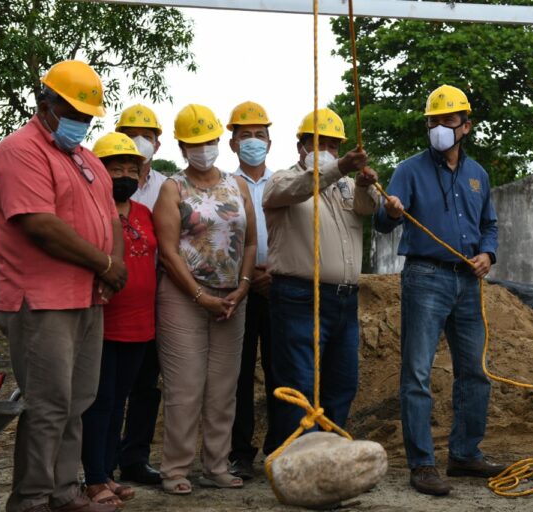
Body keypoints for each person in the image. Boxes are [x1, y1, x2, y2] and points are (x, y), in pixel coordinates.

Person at [0, 60, 126, 512]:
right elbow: (40, 225)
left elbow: (110, 217)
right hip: (41, 301)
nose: (80, 123)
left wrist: (113, 267)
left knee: (77, 400)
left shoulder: (84, 159)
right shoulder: (20, 150)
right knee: (48, 405)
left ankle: (65, 492)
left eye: (87, 116)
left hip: (86, 297)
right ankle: (30, 500)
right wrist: (105, 263)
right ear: (44, 103)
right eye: (72, 112)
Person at [373, 85, 505, 496]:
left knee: (474, 371)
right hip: (425, 276)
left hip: (468, 281)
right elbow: (382, 221)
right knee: (417, 370)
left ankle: (465, 453)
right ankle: (423, 464)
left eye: (447, 121)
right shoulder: (409, 170)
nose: (438, 128)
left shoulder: (477, 174)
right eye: (433, 121)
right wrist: (391, 211)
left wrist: (488, 253)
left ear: (466, 126)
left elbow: (490, 225)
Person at [153, 104, 257, 494]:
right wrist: (199, 295)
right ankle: (176, 469)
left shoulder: (237, 185)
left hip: (232, 297)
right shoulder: (172, 188)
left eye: (209, 141)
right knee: (185, 387)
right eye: (195, 143)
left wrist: (243, 285)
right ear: (182, 146)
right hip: (184, 298)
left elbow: (249, 241)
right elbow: (168, 251)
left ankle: (216, 464)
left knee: (223, 386)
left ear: (218, 141)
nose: (204, 149)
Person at [262, 108, 379, 451]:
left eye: (332, 144)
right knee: (299, 385)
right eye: (318, 143)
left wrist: (361, 184)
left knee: (342, 383)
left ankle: (325, 458)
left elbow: (367, 211)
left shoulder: (344, 186)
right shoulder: (282, 180)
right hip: (299, 297)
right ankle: (299, 462)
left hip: (344, 300)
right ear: (301, 146)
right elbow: (300, 188)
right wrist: (339, 167)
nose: (325, 149)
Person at [81, 133, 157, 508]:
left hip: (141, 323)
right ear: (99, 171)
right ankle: (94, 477)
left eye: (132, 168)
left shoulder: (144, 213)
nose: (125, 175)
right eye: (116, 168)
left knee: (119, 401)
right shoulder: (93, 210)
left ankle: (107, 471)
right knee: (100, 401)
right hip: (104, 319)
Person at [225, 101, 278, 480]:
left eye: (260, 135)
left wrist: (275, 271)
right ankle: (239, 452)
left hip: (278, 289)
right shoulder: (225, 187)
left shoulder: (284, 183)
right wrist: (244, 278)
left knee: (280, 373)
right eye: (246, 136)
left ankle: (279, 448)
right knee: (237, 375)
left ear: (270, 142)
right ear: (232, 143)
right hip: (236, 291)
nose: (254, 142)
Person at [114, 103, 166, 485]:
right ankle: (100, 461)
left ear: (157, 144)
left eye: (146, 135)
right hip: (112, 300)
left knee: (147, 384)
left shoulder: (168, 187)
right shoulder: (104, 186)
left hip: (157, 296)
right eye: (131, 134)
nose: (139, 142)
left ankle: (135, 457)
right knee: (108, 386)